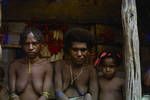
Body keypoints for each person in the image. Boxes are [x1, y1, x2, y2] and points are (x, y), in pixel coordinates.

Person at [8, 27, 53, 100]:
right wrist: (14, 97)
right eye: (27, 44)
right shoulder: (14, 65)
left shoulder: (46, 66)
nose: (30, 47)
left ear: (41, 45)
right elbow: (12, 93)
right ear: (22, 45)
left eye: (34, 43)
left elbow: (45, 95)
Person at [54, 28, 98, 100]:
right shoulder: (60, 65)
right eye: (75, 50)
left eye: (83, 50)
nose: (79, 54)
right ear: (69, 49)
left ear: (88, 51)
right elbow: (58, 91)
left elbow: (94, 95)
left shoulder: (91, 70)